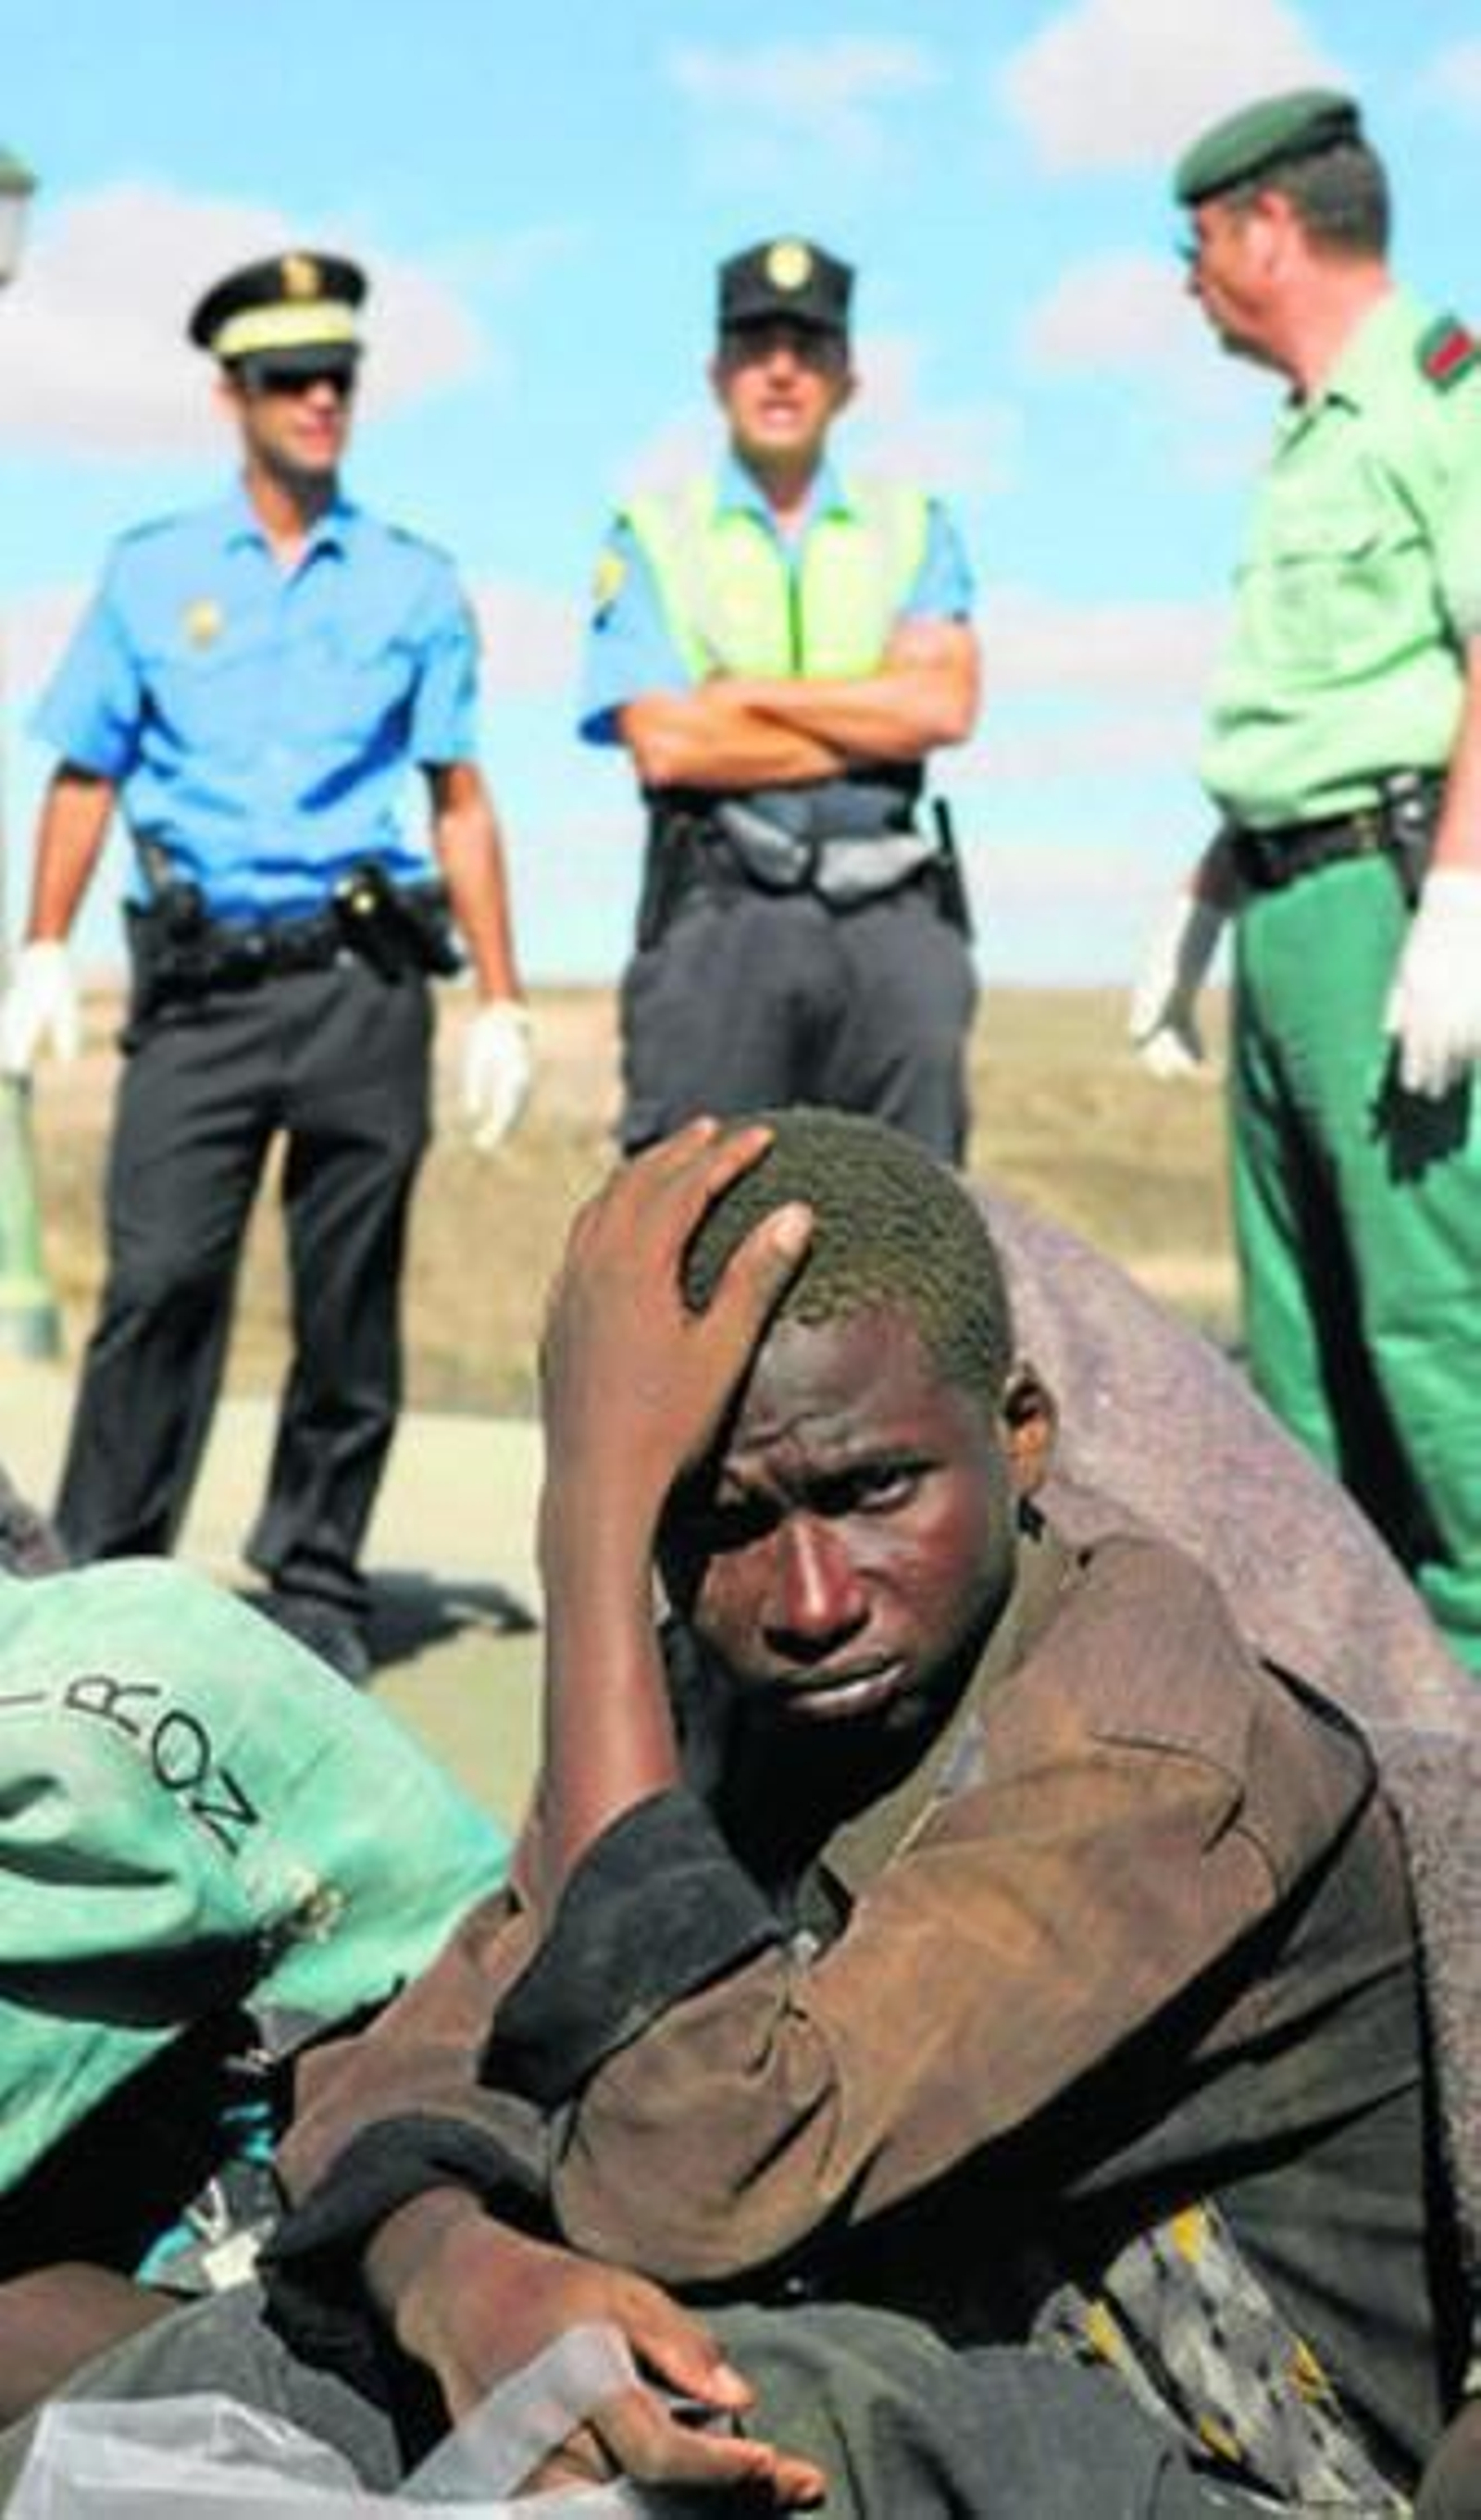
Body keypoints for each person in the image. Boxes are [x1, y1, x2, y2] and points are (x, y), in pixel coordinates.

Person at [7, 1111, 1468, 2515]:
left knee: (751, 2392)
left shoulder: (1149, 1737)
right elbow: (414, 2059)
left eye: (874, 1488)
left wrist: (587, 1527)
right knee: (250, 2365)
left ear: (1022, 1432)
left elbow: (695, 2175)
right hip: (889, 2382)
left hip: (1215, 2474)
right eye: (715, 1522)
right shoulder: (719, 1704)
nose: (811, 1600)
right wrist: (448, 2263)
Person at [0, 251, 532, 1684]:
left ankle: (317, 1576)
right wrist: (39, 942)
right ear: (230, 393)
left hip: (361, 980)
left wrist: (500, 995)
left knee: (348, 1296)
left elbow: (459, 795)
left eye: (339, 378)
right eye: (289, 379)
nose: (319, 401)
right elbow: (82, 772)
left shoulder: (415, 580)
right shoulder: (150, 570)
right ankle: (96, 1571)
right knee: (160, 1277)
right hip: (201, 991)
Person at [1126, 90, 1481, 1677]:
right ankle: (1347, 1701)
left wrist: (1463, 898)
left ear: (1269, 224)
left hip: (1385, 902)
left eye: (1198, 242)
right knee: (1303, 1354)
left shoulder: (1437, 391)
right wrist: (1211, 893)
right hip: (1285, 901)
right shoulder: (1305, 430)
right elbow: (1313, 710)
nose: (1189, 277)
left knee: (1431, 1328)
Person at [579, 237, 980, 1159]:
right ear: (717, 372)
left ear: (849, 379)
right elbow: (670, 744)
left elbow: (943, 709)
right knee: (696, 1235)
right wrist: (869, 718)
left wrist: (750, 693)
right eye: (757, 347)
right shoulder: (652, 531)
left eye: (809, 349)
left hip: (890, 908)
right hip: (722, 910)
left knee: (913, 1240)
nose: (782, 372)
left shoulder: (913, 523)